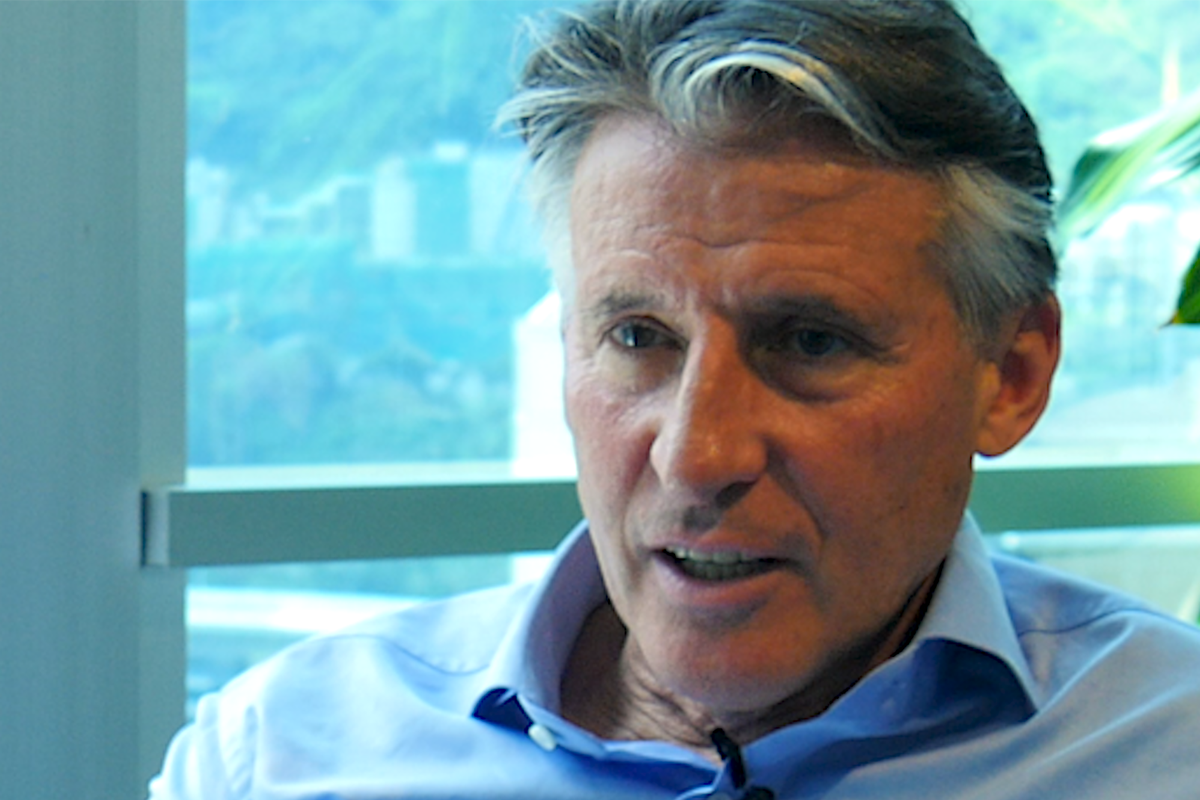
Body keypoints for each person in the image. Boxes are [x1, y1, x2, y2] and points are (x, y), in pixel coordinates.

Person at [149, 1, 1200, 798]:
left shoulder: (1166, 744)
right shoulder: (278, 754)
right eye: (638, 338)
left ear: (1011, 374)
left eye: (811, 342)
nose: (697, 455)